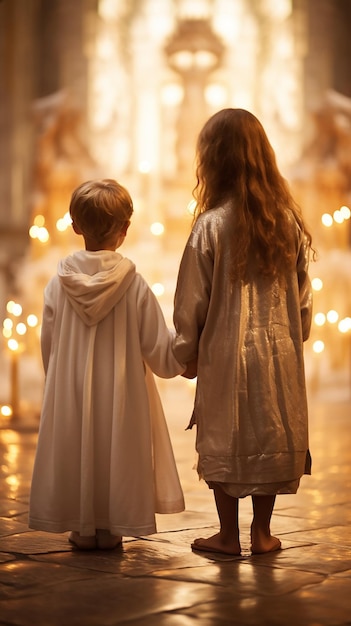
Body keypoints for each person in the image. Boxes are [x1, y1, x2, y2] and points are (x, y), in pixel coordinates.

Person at [173, 108, 314, 556]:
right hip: (278, 350)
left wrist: (186, 350)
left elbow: (191, 298)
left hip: (224, 353)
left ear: (212, 161)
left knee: (225, 431)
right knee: (270, 428)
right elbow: (304, 298)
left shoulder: (210, 224)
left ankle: (228, 534)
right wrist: (297, 334)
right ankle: (263, 532)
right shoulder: (286, 224)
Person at [29, 178, 185, 550]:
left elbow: (49, 344)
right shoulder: (135, 286)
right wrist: (190, 352)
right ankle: (112, 526)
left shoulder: (58, 283)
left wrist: (59, 380)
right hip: (121, 390)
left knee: (79, 446)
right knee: (116, 448)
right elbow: (160, 351)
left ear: (75, 226)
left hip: (72, 386)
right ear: (125, 230)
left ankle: (82, 527)